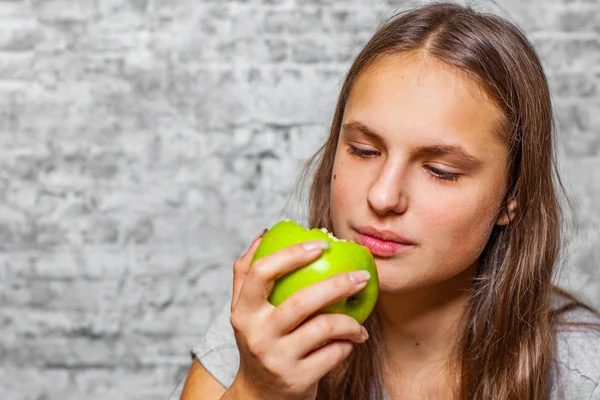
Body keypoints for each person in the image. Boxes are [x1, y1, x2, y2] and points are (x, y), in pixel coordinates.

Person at [179, 2, 600, 399]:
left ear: (512, 196)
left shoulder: (584, 372)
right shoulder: (269, 334)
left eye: (440, 171)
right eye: (363, 150)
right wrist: (258, 391)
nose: (382, 196)